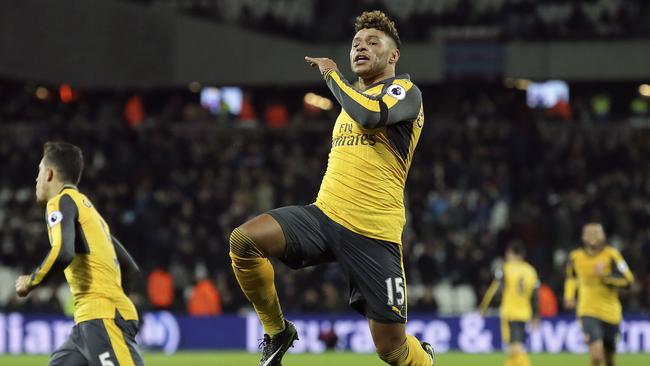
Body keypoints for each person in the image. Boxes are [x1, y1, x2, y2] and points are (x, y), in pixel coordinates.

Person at [229, 10, 432, 366]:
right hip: (324, 216)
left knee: (392, 350)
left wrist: (331, 74)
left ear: (394, 55)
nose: (361, 48)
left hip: (373, 232)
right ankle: (277, 332)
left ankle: (424, 359)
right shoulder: (351, 101)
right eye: (356, 43)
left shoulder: (405, 92)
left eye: (372, 42)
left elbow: (371, 115)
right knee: (244, 240)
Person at [14, 142, 145, 366]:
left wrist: (31, 280)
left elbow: (63, 252)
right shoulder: (91, 216)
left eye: (38, 172)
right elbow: (130, 268)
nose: (36, 180)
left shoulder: (60, 202)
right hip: (88, 325)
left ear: (49, 174)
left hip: (101, 318)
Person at [564, 223, 634, 366]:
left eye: (596, 233)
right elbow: (571, 278)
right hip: (587, 310)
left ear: (603, 236)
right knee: (596, 355)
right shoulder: (575, 257)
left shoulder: (612, 255)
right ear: (583, 237)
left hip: (611, 312)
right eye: (589, 233)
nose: (593, 236)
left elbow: (628, 281)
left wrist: (606, 277)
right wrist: (569, 296)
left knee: (610, 360)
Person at [479, 242, 540, 366]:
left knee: (516, 348)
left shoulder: (506, 268)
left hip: (510, 313)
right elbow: (535, 296)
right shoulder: (531, 271)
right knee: (512, 349)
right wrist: (536, 315)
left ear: (511, 253)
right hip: (524, 313)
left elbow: (495, 289)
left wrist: (484, 306)